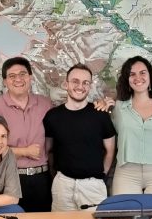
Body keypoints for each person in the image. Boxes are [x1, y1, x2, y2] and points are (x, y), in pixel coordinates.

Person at [0, 57, 54, 212]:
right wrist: (24, 152)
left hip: (42, 179)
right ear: (4, 81)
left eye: (22, 74)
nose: (18, 79)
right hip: (9, 179)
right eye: (12, 76)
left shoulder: (45, 104)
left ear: (30, 77)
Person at [43, 64, 116, 211]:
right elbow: (49, 151)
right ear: (66, 84)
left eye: (85, 83)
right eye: (75, 81)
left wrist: (101, 175)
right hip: (62, 185)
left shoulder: (100, 115)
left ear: (89, 86)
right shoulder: (52, 116)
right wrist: (57, 177)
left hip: (93, 186)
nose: (80, 86)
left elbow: (110, 150)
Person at [108, 56, 152, 200]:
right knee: (125, 216)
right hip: (126, 172)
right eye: (132, 74)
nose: (138, 77)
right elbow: (108, 137)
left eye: (142, 72)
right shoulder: (118, 107)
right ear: (127, 80)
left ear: (150, 76)